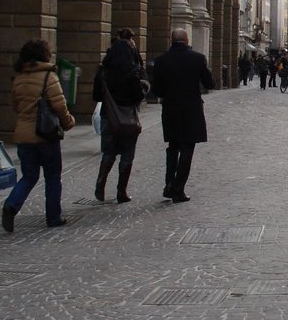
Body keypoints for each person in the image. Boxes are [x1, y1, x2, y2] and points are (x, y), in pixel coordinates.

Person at [1, 39, 76, 231]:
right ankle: (53, 217)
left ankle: (11, 205)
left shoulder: (19, 77)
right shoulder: (48, 77)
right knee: (52, 176)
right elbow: (60, 105)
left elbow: (15, 106)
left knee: (29, 176)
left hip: (24, 135)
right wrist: (68, 123)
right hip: (45, 135)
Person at [150, 28, 215, 203]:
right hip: (191, 110)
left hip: (170, 109)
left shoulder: (161, 60)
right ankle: (178, 189)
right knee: (187, 148)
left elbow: (156, 90)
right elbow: (210, 83)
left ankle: (169, 184)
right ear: (187, 40)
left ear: (172, 40)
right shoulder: (198, 59)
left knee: (173, 147)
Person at [92, 28, 148, 203]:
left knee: (108, 152)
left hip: (108, 115)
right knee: (127, 154)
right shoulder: (132, 70)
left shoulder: (104, 69)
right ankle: (121, 191)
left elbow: (96, 95)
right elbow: (140, 94)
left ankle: (100, 184)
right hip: (127, 118)